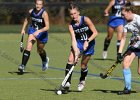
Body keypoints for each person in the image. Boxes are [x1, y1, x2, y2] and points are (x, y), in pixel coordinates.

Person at [63, 3, 98, 92]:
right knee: (71, 60)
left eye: (75, 13)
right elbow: (73, 40)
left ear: (78, 12)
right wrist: (76, 52)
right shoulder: (71, 25)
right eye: (71, 14)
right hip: (78, 43)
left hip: (89, 43)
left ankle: (82, 80)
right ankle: (67, 82)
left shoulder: (85, 19)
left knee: (83, 65)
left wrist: (88, 41)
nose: (73, 16)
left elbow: (95, 33)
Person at [18, 0, 49, 74]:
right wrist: (23, 29)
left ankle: (45, 60)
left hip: (42, 33)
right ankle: (23, 66)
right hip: (32, 31)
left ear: (42, 5)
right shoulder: (31, 11)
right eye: (37, 4)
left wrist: (39, 31)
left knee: (40, 50)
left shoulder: (44, 14)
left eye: (40, 4)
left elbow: (47, 27)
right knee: (28, 47)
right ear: (35, 4)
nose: (38, 6)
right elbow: (26, 20)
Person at [117, 2, 140, 95]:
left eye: (123, 14)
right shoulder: (125, 23)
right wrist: (119, 53)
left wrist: (138, 38)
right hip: (134, 46)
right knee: (125, 64)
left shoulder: (138, 19)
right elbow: (123, 38)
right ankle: (127, 88)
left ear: (129, 11)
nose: (122, 17)